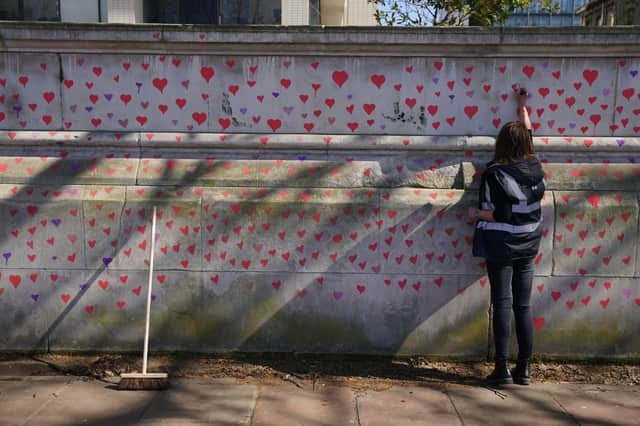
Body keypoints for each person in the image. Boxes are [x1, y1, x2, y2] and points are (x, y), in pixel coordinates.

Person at [468, 88, 546, 386]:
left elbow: (500, 214)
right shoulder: (535, 167)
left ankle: (502, 370)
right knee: (522, 305)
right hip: (529, 242)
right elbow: (528, 135)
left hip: (502, 243)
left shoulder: (496, 174)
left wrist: (476, 215)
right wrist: (523, 108)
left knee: (502, 303)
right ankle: (524, 369)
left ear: (500, 144)